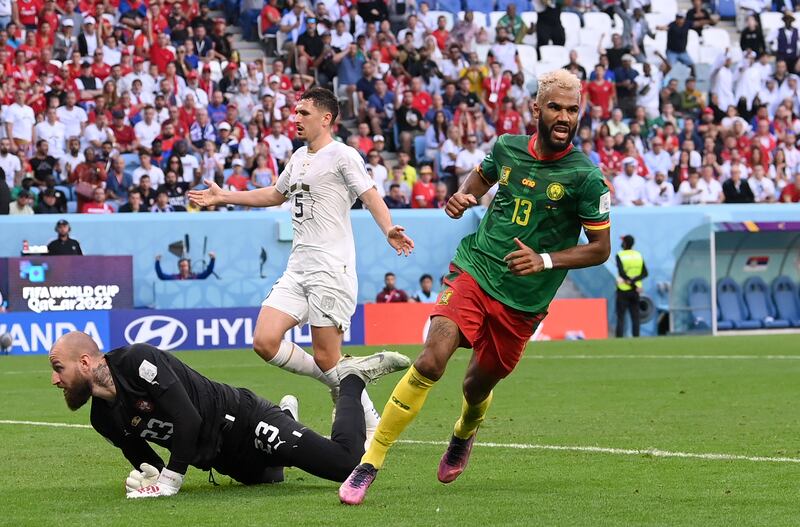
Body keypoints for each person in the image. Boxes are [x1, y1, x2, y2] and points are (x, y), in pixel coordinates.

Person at [339, 69, 611, 505]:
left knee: (476, 387)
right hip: (475, 268)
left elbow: (599, 249)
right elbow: (480, 181)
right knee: (431, 359)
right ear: (536, 109)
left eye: (573, 109)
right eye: (556, 107)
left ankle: (464, 431)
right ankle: (370, 462)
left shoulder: (585, 177)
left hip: (523, 301)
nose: (564, 116)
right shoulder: (507, 148)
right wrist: (462, 196)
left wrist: (544, 260)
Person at [188, 88, 414, 445]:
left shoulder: (343, 155)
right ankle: (352, 381)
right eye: (295, 112)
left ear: (326, 118)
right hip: (298, 268)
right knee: (264, 340)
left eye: (304, 113)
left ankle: (369, 419)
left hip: (330, 268)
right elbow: (275, 194)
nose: (296, 118)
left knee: (327, 357)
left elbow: (370, 195)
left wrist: (388, 229)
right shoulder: (297, 157)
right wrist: (223, 196)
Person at [48, 331, 411, 498]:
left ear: (84, 362)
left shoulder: (136, 360)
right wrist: (148, 478)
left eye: (58, 368)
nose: (54, 380)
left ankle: (350, 380)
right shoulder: (102, 418)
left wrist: (171, 481)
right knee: (271, 480)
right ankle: (288, 417)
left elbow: (187, 418)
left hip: (244, 419)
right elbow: (144, 459)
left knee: (346, 467)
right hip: (222, 458)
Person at [615, 235, 648, 338]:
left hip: (623, 290)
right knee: (635, 317)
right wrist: (634, 282)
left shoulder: (620, 255)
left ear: (624, 243)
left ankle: (619, 339)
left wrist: (629, 281)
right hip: (636, 291)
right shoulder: (638, 255)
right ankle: (636, 339)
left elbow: (621, 273)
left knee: (621, 317)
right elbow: (644, 273)